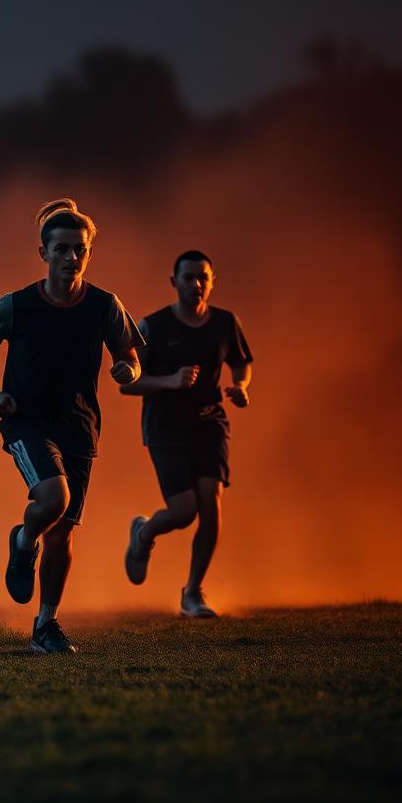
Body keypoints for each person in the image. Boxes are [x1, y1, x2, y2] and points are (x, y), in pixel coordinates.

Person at [0, 199, 143, 654]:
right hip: (26, 420)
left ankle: (46, 625)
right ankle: (23, 540)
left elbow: (130, 356)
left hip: (80, 426)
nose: (71, 257)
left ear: (88, 253)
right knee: (54, 498)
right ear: (43, 253)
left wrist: (128, 371)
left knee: (62, 532)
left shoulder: (105, 305)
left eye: (78, 249)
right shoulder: (18, 305)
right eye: (61, 248)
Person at [121, 251, 253, 617]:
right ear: (173, 282)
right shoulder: (153, 327)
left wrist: (240, 387)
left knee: (211, 507)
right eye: (188, 278)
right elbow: (127, 385)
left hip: (210, 423)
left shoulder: (226, 323)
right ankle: (144, 534)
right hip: (165, 430)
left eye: (203, 278)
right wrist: (169, 381)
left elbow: (241, 365)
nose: (196, 284)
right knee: (184, 512)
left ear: (213, 281)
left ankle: (193, 593)